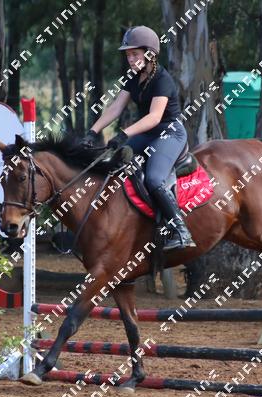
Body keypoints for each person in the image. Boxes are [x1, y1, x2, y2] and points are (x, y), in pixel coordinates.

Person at [82, 25, 195, 251]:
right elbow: (115, 108)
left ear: (150, 53)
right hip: (147, 133)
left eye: (135, 54)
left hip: (169, 133)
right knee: (112, 162)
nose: (130, 59)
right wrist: (92, 132)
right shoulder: (133, 78)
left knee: (154, 179)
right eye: (128, 55)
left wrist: (124, 134)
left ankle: (181, 232)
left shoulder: (163, 79)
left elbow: (154, 117)